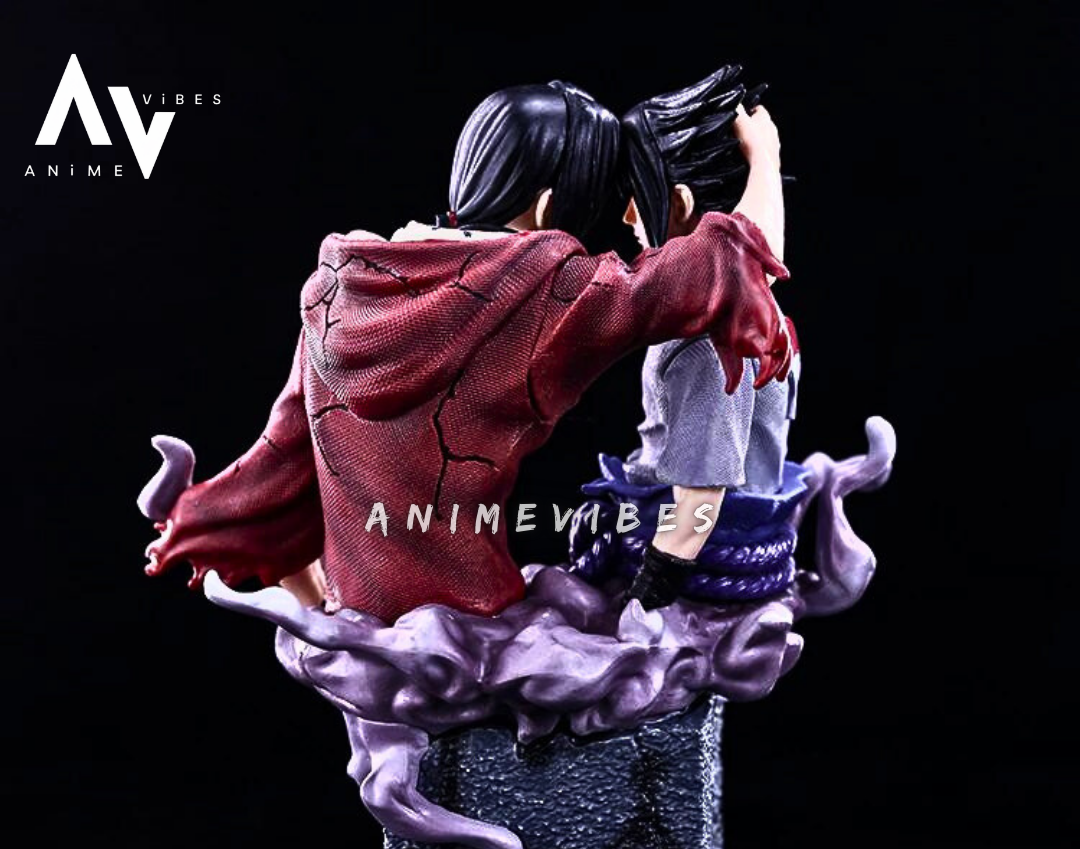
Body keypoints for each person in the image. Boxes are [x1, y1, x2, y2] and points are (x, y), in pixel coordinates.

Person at [144, 79, 790, 625]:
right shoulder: (547, 292)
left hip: (365, 619)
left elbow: (284, 463)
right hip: (471, 623)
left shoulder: (338, 286)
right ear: (549, 205)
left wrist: (322, 610)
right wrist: (764, 158)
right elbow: (732, 262)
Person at [620, 66, 799, 610]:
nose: (627, 217)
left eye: (637, 197)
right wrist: (764, 161)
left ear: (678, 204)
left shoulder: (709, 342)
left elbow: (700, 500)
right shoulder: (741, 307)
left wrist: (645, 599)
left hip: (693, 549)